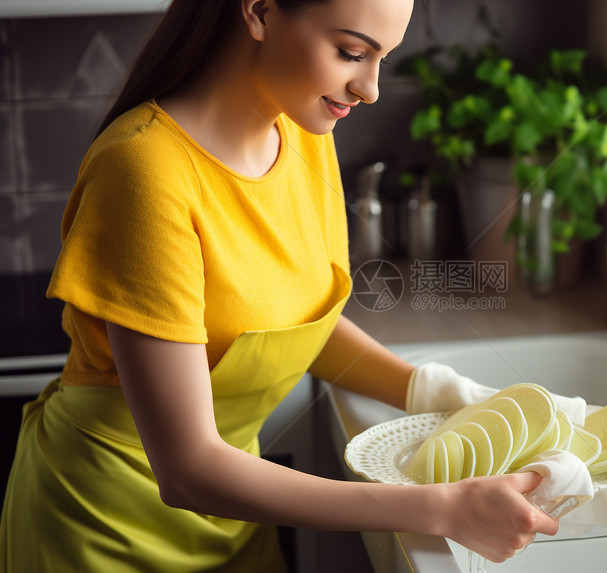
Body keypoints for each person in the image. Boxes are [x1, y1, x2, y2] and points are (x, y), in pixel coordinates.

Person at [0, 0, 565, 570]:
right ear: (261, 12)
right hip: (100, 526)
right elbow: (188, 470)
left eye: (382, 60)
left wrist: (446, 394)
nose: (369, 89)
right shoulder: (143, 172)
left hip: (236, 515)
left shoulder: (303, 130)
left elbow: (292, 323)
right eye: (350, 52)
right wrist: (438, 509)